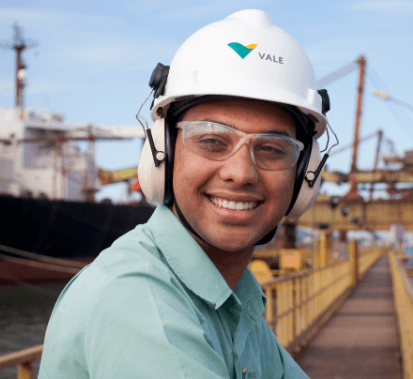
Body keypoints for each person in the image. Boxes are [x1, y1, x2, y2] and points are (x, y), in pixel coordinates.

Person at [39, 9, 331, 379]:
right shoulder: (138, 303)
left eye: (273, 148)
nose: (240, 174)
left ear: (304, 175)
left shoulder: (233, 298)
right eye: (211, 140)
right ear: (163, 153)